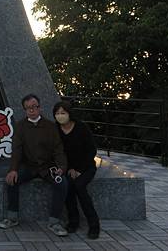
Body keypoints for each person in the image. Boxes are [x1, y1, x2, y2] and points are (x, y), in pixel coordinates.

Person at [0, 94, 69, 237]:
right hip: (29, 167)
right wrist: (13, 170)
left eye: (35, 106)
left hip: (48, 167)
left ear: (39, 107)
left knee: (62, 184)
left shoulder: (50, 126)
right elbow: (16, 150)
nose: (32, 110)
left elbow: (58, 149)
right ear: (25, 109)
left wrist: (61, 167)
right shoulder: (20, 126)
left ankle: (54, 222)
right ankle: (12, 218)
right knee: (11, 181)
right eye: (29, 108)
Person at [53, 100, 100, 239]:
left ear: (69, 113)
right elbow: (56, 152)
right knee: (67, 186)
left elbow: (91, 150)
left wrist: (79, 169)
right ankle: (73, 221)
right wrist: (67, 168)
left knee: (80, 186)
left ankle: (94, 225)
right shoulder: (55, 130)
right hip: (67, 168)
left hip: (86, 167)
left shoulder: (81, 128)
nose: (60, 116)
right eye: (57, 113)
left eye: (63, 113)